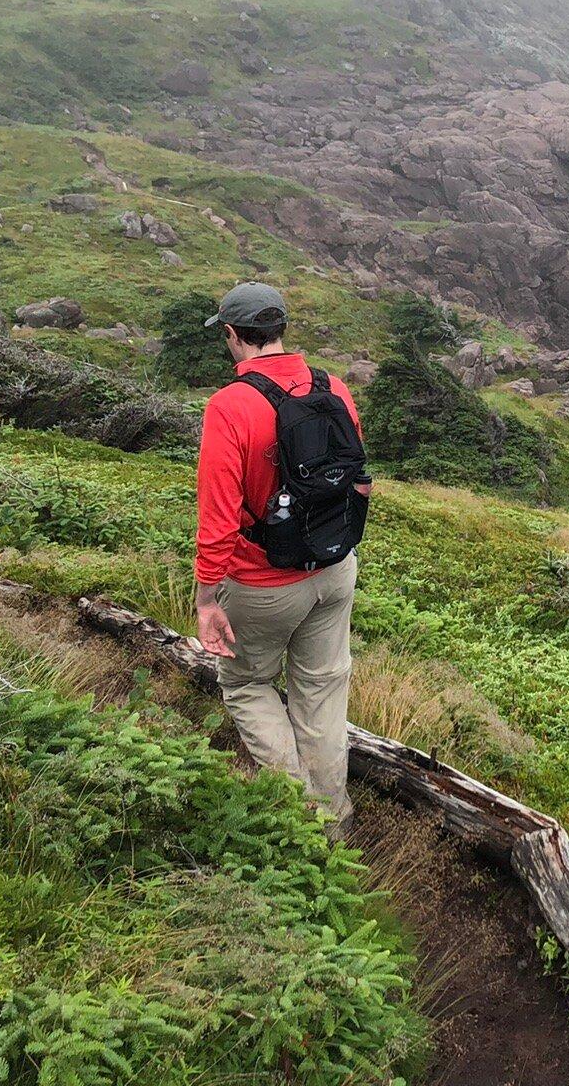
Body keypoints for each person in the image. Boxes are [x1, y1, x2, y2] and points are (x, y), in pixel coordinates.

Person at [193, 281, 366, 826]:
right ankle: (332, 816)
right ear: (280, 329)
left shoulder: (230, 406)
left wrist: (206, 597)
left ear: (232, 335)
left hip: (264, 583)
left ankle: (298, 817)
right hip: (335, 569)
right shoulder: (333, 386)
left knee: (246, 683)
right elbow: (356, 479)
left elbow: (218, 517)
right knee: (321, 689)